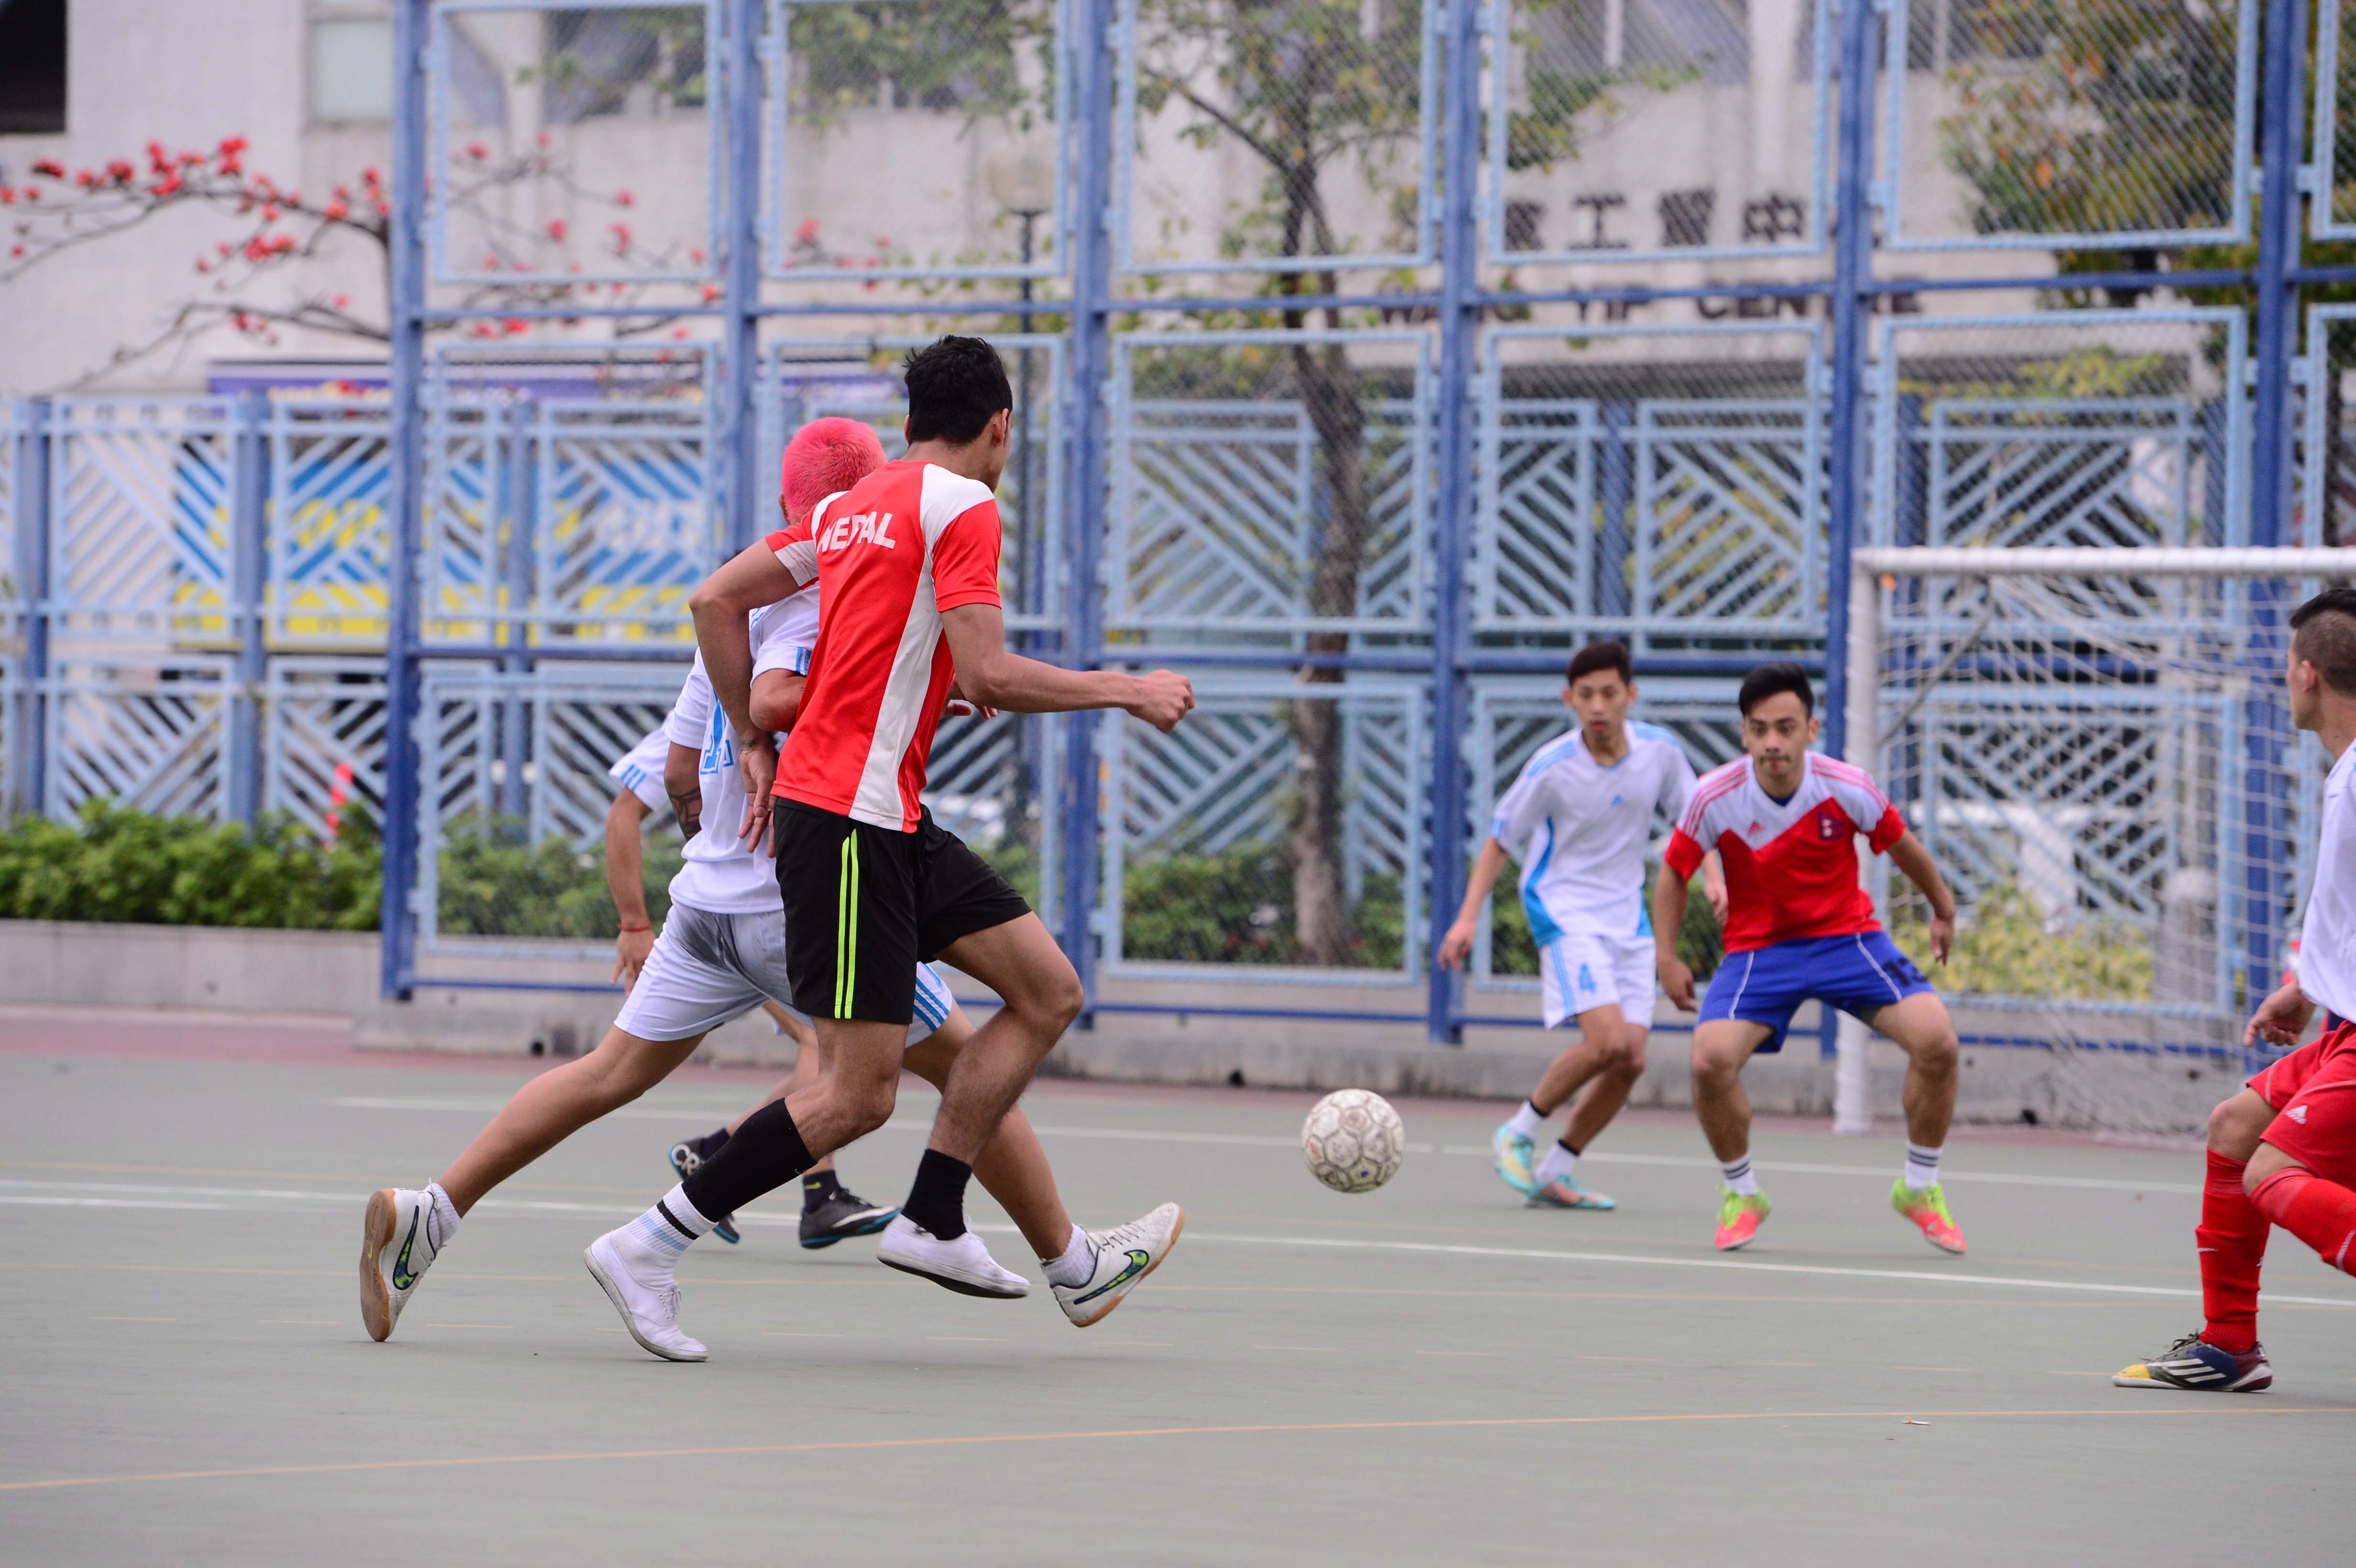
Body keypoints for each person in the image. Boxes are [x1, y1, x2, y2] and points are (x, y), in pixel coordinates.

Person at [361, 416, 1180, 1352]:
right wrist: (838, 713)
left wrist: (758, 770)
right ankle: (1061, 1259)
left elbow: (679, 766)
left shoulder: (737, 615)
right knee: (953, 1067)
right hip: (800, 884)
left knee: (607, 1073)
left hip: (707, 894)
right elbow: (781, 697)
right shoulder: (832, 590)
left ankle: (433, 1211)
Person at [583, 335, 1195, 1360]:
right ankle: (648, 1241)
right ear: (1000, 426)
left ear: (908, 423)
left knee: (1047, 990)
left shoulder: (846, 509)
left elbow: (713, 600)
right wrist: (1126, 689)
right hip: (848, 825)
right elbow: (989, 673)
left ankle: (940, 1216)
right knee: (856, 1095)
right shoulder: (964, 507)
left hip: (882, 816)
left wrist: (752, 731)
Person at [2117, 587, 2356, 1394]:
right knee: (2234, 1128)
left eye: (2285, 667)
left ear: (2305, 674)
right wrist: (2303, 987)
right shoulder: (2344, 771)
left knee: (2269, 1175)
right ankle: (2229, 1348)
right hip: (2341, 1025)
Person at [1654, 661, 1968, 1255]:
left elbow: (1902, 846)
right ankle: (1741, 1193)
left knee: (1938, 1042)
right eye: (1759, 729)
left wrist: (1943, 909)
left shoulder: (1846, 785)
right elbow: (1673, 872)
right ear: (1744, 733)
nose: (1772, 742)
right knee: (1708, 1061)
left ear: (1810, 729)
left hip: (1846, 940)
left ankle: (1919, 1186)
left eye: (1785, 728)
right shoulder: (1712, 796)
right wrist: (1665, 958)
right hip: (1759, 951)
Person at [1438, 640, 1723, 1210]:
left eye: (1608, 694)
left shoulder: (1660, 752)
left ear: (1629, 695)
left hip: (1628, 918)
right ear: (1567, 699)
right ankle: (1517, 1131)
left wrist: (1713, 878)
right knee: (1607, 1041)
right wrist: (1466, 917)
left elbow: (1693, 821)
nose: (1597, 706)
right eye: (1585, 695)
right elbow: (1500, 839)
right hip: (1563, 908)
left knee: (1631, 1059)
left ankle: (1556, 1169)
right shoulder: (1550, 767)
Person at [604, 711, 887, 1248]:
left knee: (830, 1052)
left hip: (782, 914)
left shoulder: (796, 706)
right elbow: (626, 811)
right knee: (824, 1047)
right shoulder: (704, 714)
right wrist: (634, 924)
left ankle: (715, 1153)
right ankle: (818, 1194)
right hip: (740, 919)